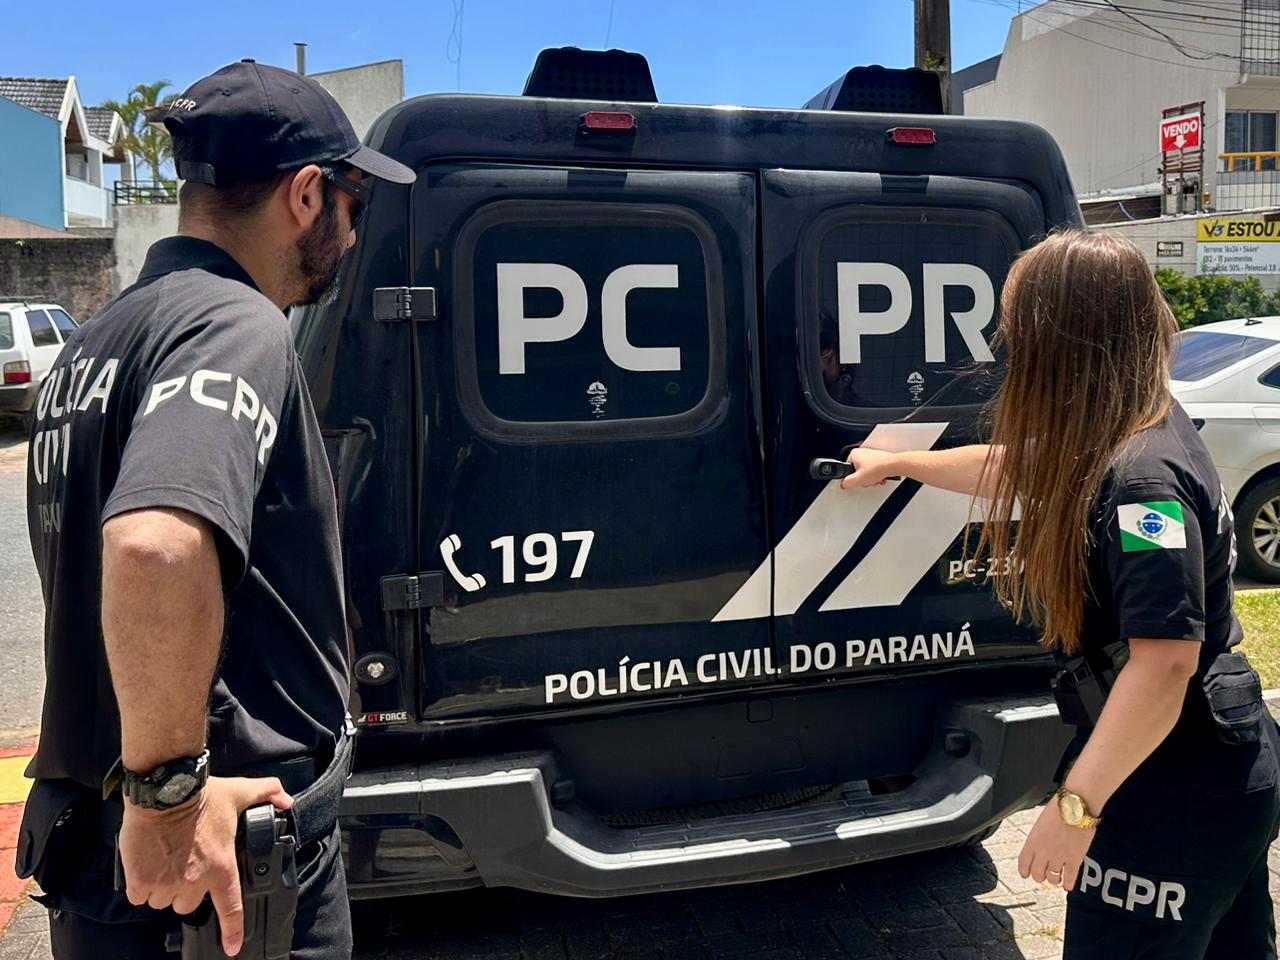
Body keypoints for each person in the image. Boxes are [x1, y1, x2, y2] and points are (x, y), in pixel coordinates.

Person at [20, 60, 414, 959]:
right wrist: (168, 798)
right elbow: (152, 546)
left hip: (101, 867)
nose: (355, 232)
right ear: (306, 195)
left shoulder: (93, 344)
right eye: (353, 203)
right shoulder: (235, 325)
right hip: (217, 880)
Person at [840, 231, 1280, 958]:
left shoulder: (1144, 483)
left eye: (1019, 332)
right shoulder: (1134, 422)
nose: (1010, 349)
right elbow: (1023, 466)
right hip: (1207, 771)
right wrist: (904, 464)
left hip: (1173, 785)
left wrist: (1076, 809)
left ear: (1065, 342)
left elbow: (1164, 664)